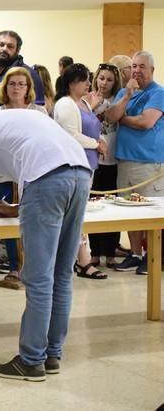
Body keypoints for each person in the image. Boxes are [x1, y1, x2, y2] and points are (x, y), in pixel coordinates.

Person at [0, 109, 91, 381]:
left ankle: (31, 361)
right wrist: (18, 208)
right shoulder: (18, 120)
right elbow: (47, 168)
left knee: (38, 277)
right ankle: (52, 355)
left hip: (48, 179)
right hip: (81, 174)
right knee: (62, 274)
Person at [0, 67, 48, 283]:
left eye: (21, 84)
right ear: (5, 88)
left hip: (33, 173)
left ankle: (33, 267)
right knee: (8, 221)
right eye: (12, 84)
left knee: (32, 219)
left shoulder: (39, 113)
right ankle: (13, 267)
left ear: (29, 88)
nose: (16, 88)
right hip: (3, 174)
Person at [105, 51, 164, 275]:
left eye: (142, 67)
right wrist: (127, 96)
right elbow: (110, 116)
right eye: (134, 66)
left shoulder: (158, 93)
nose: (137, 70)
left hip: (149, 164)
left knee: (151, 214)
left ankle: (153, 257)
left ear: (151, 70)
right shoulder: (124, 91)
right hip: (125, 161)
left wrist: (124, 118)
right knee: (130, 212)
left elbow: (146, 122)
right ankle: (135, 254)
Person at [53, 63, 107, 279]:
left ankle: (83, 258)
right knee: (76, 216)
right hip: (74, 165)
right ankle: (82, 261)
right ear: (71, 83)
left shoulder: (83, 102)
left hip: (88, 164)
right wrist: (97, 144)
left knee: (80, 215)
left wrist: (99, 140)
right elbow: (71, 135)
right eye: (83, 79)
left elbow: (91, 126)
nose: (88, 83)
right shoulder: (65, 104)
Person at [88, 63, 123, 268]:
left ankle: (111, 251)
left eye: (109, 79)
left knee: (113, 205)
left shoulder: (116, 101)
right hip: (95, 160)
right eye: (102, 78)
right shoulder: (89, 99)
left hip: (114, 160)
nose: (104, 83)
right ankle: (95, 252)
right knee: (94, 205)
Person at [0, 30, 45, 116]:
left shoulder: (28, 74)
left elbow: (36, 112)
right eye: (1, 44)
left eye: (10, 46)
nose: (4, 49)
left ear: (17, 50)